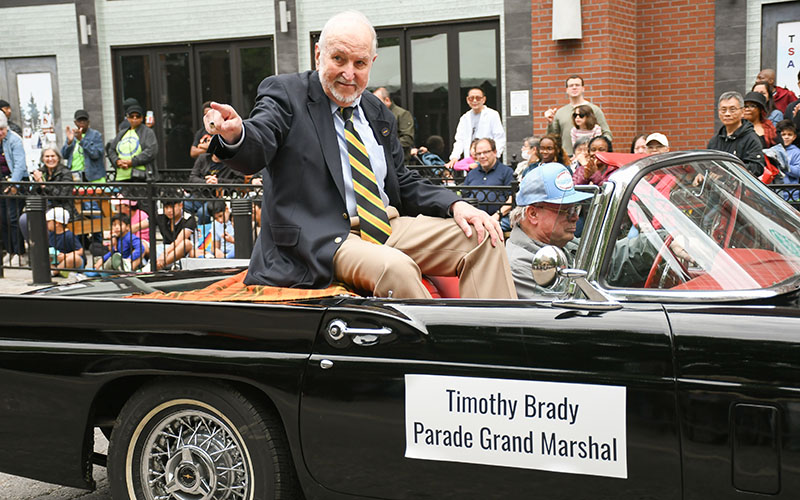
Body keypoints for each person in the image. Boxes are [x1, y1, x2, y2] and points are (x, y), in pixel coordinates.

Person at [204, 10, 516, 299]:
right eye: (339, 59)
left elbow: (403, 182)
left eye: (360, 63)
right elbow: (258, 141)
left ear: (372, 62)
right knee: (396, 268)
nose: (349, 74)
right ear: (318, 54)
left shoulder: (377, 111)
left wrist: (456, 204)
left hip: (386, 224)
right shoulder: (286, 94)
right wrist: (236, 134)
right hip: (324, 238)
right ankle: (432, 357)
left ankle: (495, 349)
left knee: (484, 237)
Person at [544, 75, 612, 156]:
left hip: (590, 157)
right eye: (571, 86)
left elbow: (607, 134)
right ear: (567, 90)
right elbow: (553, 138)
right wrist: (550, 123)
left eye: (577, 85)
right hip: (567, 157)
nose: (574, 87)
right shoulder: (560, 112)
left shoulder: (594, 109)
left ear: (583, 88)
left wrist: (599, 151)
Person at [19, 148, 74, 241]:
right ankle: (34, 246)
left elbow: (61, 196)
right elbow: (34, 195)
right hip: (43, 207)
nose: (50, 159)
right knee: (23, 220)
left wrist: (43, 184)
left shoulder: (65, 172)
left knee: (48, 221)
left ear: (58, 158)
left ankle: (49, 249)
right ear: (42, 159)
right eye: (47, 156)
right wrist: (36, 183)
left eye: (53, 156)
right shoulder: (41, 172)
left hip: (60, 207)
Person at [707, 91, 764, 178]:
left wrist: (727, 172)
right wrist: (702, 174)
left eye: (732, 109)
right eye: (723, 110)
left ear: (742, 112)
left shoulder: (751, 138)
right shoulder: (715, 140)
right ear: (718, 112)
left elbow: (757, 168)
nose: (727, 114)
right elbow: (708, 164)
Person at [462, 138, 515, 230]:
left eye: (486, 152)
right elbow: (464, 197)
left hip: (499, 219)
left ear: (494, 152)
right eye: (478, 153)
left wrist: (497, 215)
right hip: (474, 220)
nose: (482, 156)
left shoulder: (506, 172)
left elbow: (512, 198)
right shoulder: (471, 174)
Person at [446, 87, 506, 168]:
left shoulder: (492, 115)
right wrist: (454, 157)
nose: (474, 101)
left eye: (478, 98)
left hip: (487, 159)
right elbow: (460, 140)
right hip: (471, 161)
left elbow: (499, 138)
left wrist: (494, 155)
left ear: (483, 99)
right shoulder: (464, 118)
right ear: (467, 100)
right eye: (471, 98)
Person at [0, 113, 28, 267]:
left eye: (2, 129)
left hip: (15, 182)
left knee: (13, 218)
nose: (0, 132)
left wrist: (13, 185)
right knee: (3, 219)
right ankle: (9, 251)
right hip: (1, 183)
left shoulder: (14, 140)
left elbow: (20, 165)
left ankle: (20, 252)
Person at [187, 152, 246, 223]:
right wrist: (207, 182)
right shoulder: (203, 158)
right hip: (199, 195)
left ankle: (204, 232)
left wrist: (218, 181)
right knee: (181, 206)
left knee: (202, 213)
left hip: (217, 198)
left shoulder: (231, 161)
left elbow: (239, 181)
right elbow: (192, 178)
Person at [107, 104, 158, 181]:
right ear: (127, 118)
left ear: (142, 118)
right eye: (131, 116)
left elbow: (151, 151)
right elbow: (111, 149)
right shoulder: (121, 133)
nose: (134, 118)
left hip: (141, 177)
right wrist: (117, 161)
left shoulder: (148, 132)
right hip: (122, 176)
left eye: (137, 116)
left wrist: (132, 162)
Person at [61, 109, 106, 183]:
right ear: (75, 123)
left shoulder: (96, 135)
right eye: (79, 121)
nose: (82, 123)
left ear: (88, 122)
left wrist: (81, 140)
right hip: (75, 177)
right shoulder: (72, 136)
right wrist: (69, 142)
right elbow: (64, 155)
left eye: (84, 121)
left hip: (94, 178)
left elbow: (96, 154)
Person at [373, 88, 414, 163]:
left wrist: (386, 147)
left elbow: (407, 139)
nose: (375, 104)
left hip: (398, 161)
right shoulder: (375, 115)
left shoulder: (402, 114)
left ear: (387, 100)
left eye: (377, 101)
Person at [155, 198, 196, 270]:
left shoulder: (188, 218)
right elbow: (139, 225)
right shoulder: (160, 214)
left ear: (181, 205)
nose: (169, 210)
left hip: (182, 251)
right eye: (166, 207)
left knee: (186, 243)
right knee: (142, 244)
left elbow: (179, 241)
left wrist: (164, 254)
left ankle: (156, 266)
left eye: (172, 207)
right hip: (165, 248)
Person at [45, 206, 84, 277]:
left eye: (48, 222)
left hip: (69, 262)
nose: (47, 224)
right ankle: (58, 270)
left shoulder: (69, 235)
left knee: (74, 258)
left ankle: (54, 271)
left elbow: (80, 251)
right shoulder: (51, 234)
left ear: (57, 223)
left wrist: (66, 255)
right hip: (57, 261)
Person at [775, 120, 800, 185]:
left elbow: (798, 172)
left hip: (790, 192)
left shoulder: (796, 152)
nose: (786, 137)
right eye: (783, 134)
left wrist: (783, 165)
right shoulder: (773, 150)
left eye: (789, 134)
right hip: (774, 189)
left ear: (794, 137)